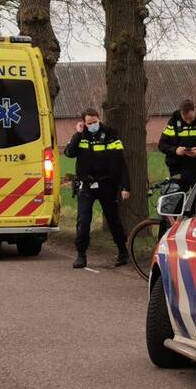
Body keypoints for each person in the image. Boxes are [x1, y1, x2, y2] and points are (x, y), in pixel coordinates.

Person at [64, 108, 131, 269]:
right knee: (83, 221)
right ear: (83, 123)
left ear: (99, 119)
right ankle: (81, 255)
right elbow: (69, 152)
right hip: (86, 185)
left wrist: (125, 186)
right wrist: (78, 134)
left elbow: (121, 163)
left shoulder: (110, 134)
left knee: (113, 219)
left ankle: (122, 251)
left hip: (107, 184)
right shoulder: (81, 136)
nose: (93, 125)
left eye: (95, 122)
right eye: (89, 123)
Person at [158, 99, 196, 191]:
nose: (188, 121)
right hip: (178, 171)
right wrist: (175, 150)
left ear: (195, 110)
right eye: (185, 119)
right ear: (181, 113)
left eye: (191, 118)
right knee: (176, 202)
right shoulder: (174, 122)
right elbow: (162, 145)